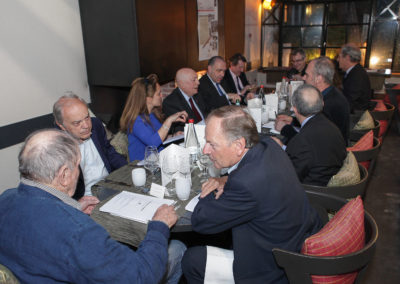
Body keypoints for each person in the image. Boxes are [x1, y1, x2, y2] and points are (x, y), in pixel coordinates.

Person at [0, 129, 185, 283]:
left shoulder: (5, 199)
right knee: (177, 248)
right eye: (76, 166)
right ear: (64, 175)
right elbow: (141, 277)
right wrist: (159, 226)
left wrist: (71, 208)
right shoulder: (78, 231)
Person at [182, 106, 322, 283]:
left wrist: (208, 189)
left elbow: (201, 222)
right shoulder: (270, 145)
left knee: (192, 258)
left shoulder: (246, 183)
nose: (205, 151)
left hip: (275, 269)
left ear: (239, 145)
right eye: (206, 142)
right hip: (295, 239)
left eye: (212, 144)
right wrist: (225, 180)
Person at [53, 94, 127, 199]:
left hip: (109, 184)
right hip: (84, 197)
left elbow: (109, 152)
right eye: (77, 123)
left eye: (87, 117)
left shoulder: (96, 124)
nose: (86, 126)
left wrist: (128, 170)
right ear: (62, 126)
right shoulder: (55, 147)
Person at [273, 85, 347, 186]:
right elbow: (310, 153)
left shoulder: (302, 140)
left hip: (314, 193)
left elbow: (288, 177)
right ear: (322, 104)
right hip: (328, 178)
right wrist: (283, 147)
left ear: (295, 110)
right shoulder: (330, 125)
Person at [276, 57, 350, 144]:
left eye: (307, 75)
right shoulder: (331, 93)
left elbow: (310, 142)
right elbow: (313, 125)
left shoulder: (327, 104)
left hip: (327, 154)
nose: (303, 78)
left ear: (318, 79)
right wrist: (293, 121)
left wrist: (284, 129)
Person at [120, 74, 188, 161]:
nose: (161, 96)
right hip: (143, 165)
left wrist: (173, 136)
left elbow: (157, 136)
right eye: (158, 94)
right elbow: (153, 143)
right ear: (148, 98)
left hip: (158, 159)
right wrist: (169, 120)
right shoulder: (135, 120)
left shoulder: (152, 114)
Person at [163, 68, 208, 132]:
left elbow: (207, 112)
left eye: (197, 79)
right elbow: (181, 129)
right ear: (182, 83)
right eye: (194, 80)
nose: (198, 82)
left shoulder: (198, 94)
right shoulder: (170, 103)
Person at [338, 43, 371, 112]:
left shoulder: (357, 75)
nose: (338, 60)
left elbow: (349, 101)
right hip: (354, 111)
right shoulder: (355, 71)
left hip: (355, 116)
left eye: (339, 57)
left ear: (347, 57)